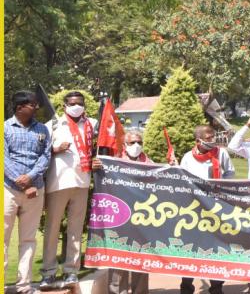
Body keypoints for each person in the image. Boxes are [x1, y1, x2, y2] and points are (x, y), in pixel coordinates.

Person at [40, 91, 99, 290]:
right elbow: (39, 151)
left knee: (75, 230)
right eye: (73, 103)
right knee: (52, 228)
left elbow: (101, 148)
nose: (77, 106)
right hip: (58, 182)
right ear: (64, 105)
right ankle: (48, 272)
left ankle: (70, 271)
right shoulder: (54, 125)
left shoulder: (91, 124)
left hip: (82, 182)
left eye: (80, 103)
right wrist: (55, 149)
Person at [178, 125, 234, 294]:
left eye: (213, 137)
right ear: (198, 141)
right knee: (191, 248)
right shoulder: (188, 158)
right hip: (194, 210)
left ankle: (216, 287)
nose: (212, 140)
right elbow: (182, 181)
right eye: (208, 138)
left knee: (216, 248)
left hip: (217, 208)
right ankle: (186, 286)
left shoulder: (221, 153)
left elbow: (230, 174)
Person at [5, 91, 51, 294]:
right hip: (8, 190)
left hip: (36, 190)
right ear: (19, 107)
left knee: (28, 240)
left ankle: (24, 286)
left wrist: (31, 178)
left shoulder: (42, 129)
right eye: (32, 104)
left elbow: (45, 156)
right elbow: (3, 159)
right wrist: (23, 182)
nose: (36, 108)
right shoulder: (5, 128)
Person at [107, 131, 152, 294]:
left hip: (142, 218)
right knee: (119, 257)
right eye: (132, 143)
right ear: (125, 145)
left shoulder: (149, 162)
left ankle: (140, 291)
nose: (136, 146)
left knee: (141, 258)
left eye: (139, 142)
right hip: (120, 218)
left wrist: (173, 167)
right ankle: (118, 291)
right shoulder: (115, 162)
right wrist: (97, 165)